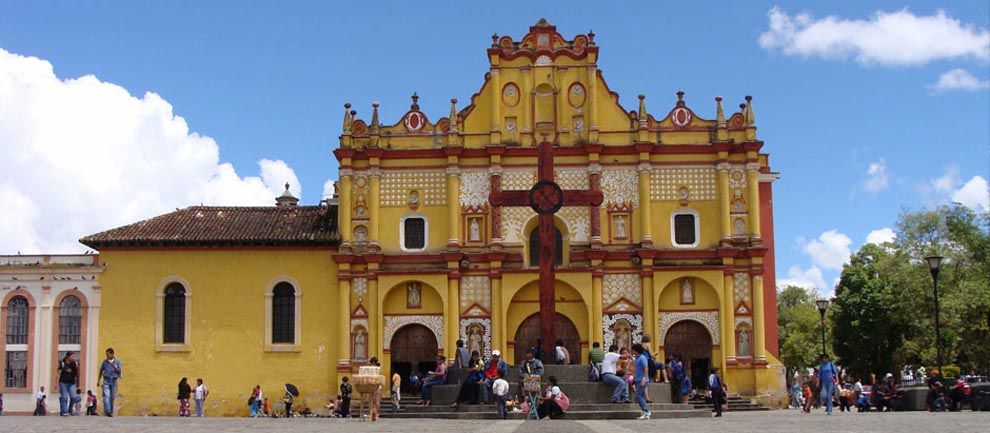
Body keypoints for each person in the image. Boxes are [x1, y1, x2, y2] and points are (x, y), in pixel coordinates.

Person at [97, 347, 122, 417]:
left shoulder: (117, 362)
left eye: (108, 354)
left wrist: (114, 367)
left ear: (112, 354)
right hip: (106, 380)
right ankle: (107, 411)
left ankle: (110, 411)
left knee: (112, 397)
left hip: (114, 380)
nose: (107, 356)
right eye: (106, 355)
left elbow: (119, 371)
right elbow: (101, 371)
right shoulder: (104, 362)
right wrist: (98, 380)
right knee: (106, 396)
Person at [519, 349, 544, 420]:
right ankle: (529, 409)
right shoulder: (524, 363)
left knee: (536, 396)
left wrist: (534, 375)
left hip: (535, 381)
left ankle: (535, 410)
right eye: (527, 354)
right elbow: (521, 372)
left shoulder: (538, 362)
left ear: (532, 354)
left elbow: (541, 372)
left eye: (529, 353)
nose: (527, 355)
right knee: (528, 396)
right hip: (526, 381)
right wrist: (526, 375)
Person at [631, 344, 651, 420]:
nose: (631, 351)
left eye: (632, 350)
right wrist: (634, 378)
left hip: (642, 380)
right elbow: (638, 370)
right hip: (637, 379)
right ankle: (644, 411)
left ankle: (646, 410)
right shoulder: (637, 359)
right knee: (640, 396)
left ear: (636, 350)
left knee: (637, 396)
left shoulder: (642, 358)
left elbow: (646, 368)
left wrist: (644, 378)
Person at [57, 351, 80, 416]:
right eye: (72, 356)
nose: (73, 358)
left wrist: (78, 368)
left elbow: (77, 375)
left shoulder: (75, 364)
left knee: (73, 397)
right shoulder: (62, 363)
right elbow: (59, 373)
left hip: (72, 383)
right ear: (68, 356)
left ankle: (70, 409)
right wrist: (56, 383)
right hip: (63, 382)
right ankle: (64, 411)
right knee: (64, 397)